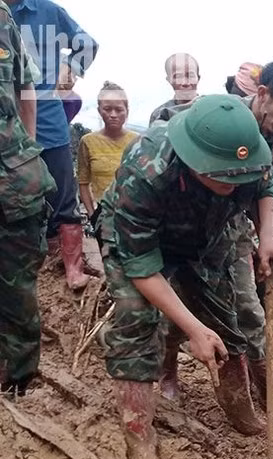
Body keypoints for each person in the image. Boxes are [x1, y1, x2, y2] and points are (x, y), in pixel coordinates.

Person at [94, 95, 273, 459]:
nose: (234, 183)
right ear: (192, 160)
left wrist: (268, 236)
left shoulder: (249, 153)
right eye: (221, 175)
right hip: (139, 240)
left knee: (225, 320)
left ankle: (242, 412)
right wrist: (192, 329)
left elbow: (265, 187)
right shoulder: (147, 169)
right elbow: (142, 267)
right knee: (137, 320)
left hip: (206, 235)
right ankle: (139, 434)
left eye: (239, 175)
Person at [152, 60, 273, 416]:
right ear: (262, 94)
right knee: (175, 308)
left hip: (232, 233)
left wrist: (267, 238)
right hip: (179, 228)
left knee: (249, 311)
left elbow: (265, 190)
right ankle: (167, 373)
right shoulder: (218, 119)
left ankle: (265, 393)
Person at [10, 0, 99, 291]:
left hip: (47, 116)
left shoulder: (48, 11)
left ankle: (72, 265)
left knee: (62, 192)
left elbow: (87, 44)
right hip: (6, 125)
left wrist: (69, 65)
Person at [0, 1, 58, 397]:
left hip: (14, 173)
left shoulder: (5, 18)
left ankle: (19, 376)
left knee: (18, 279)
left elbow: (26, 88)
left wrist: (29, 148)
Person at [77, 82, 138, 217]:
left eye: (119, 109)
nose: (113, 114)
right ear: (99, 110)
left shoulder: (138, 141)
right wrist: (92, 214)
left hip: (134, 213)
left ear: (127, 110)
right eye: (107, 109)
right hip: (103, 214)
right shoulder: (88, 142)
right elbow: (83, 182)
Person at [149, 52, 200, 125]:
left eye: (190, 75)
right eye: (178, 76)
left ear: (198, 78)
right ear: (169, 80)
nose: (185, 83)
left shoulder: (210, 109)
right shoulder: (159, 114)